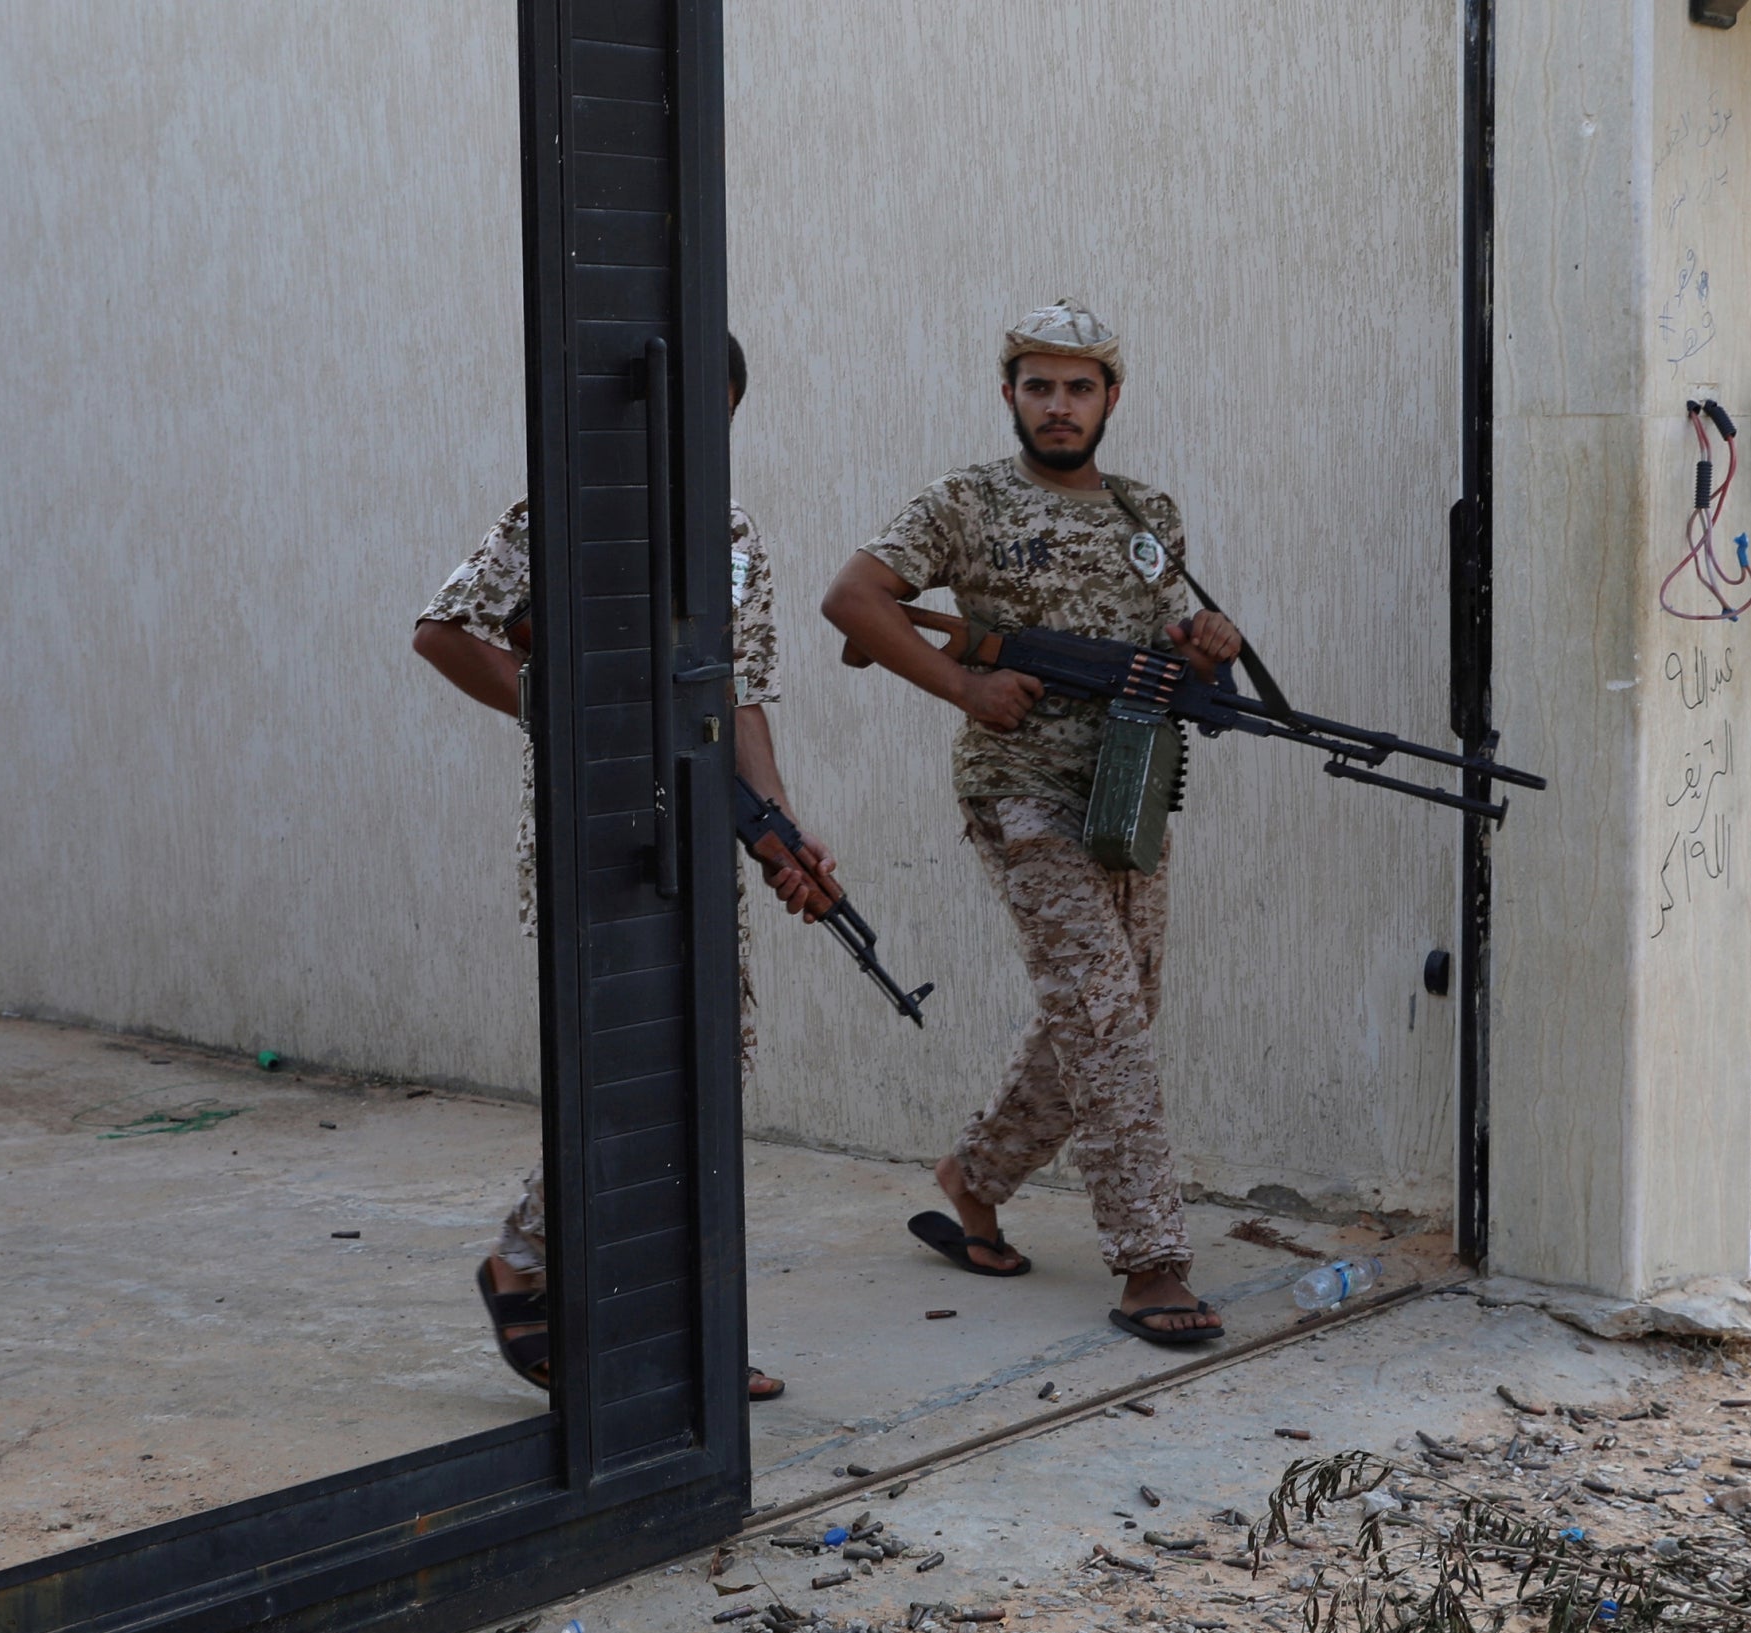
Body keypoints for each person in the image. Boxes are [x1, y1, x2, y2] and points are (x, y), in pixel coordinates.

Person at [413, 332, 834, 1397]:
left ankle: (671, 1322)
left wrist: (778, 825)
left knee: (713, 1066)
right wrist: (560, 709)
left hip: (698, 832)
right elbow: (443, 629)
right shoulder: (554, 509)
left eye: (717, 413)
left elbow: (736, 700)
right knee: (622, 1065)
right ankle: (528, 1260)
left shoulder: (733, 535)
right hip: (588, 831)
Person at [821, 299, 1242, 1345]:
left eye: (1080, 387)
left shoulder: (1151, 514)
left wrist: (1204, 645)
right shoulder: (965, 501)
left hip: (1128, 787)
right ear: (1009, 393)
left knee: (1116, 1005)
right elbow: (854, 600)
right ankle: (1152, 1259)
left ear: (1111, 398)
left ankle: (979, 1174)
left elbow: (1160, 644)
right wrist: (962, 690)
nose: (1060, 407)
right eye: (1040, 386)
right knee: (1103, 1013)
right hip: (1019, 793)